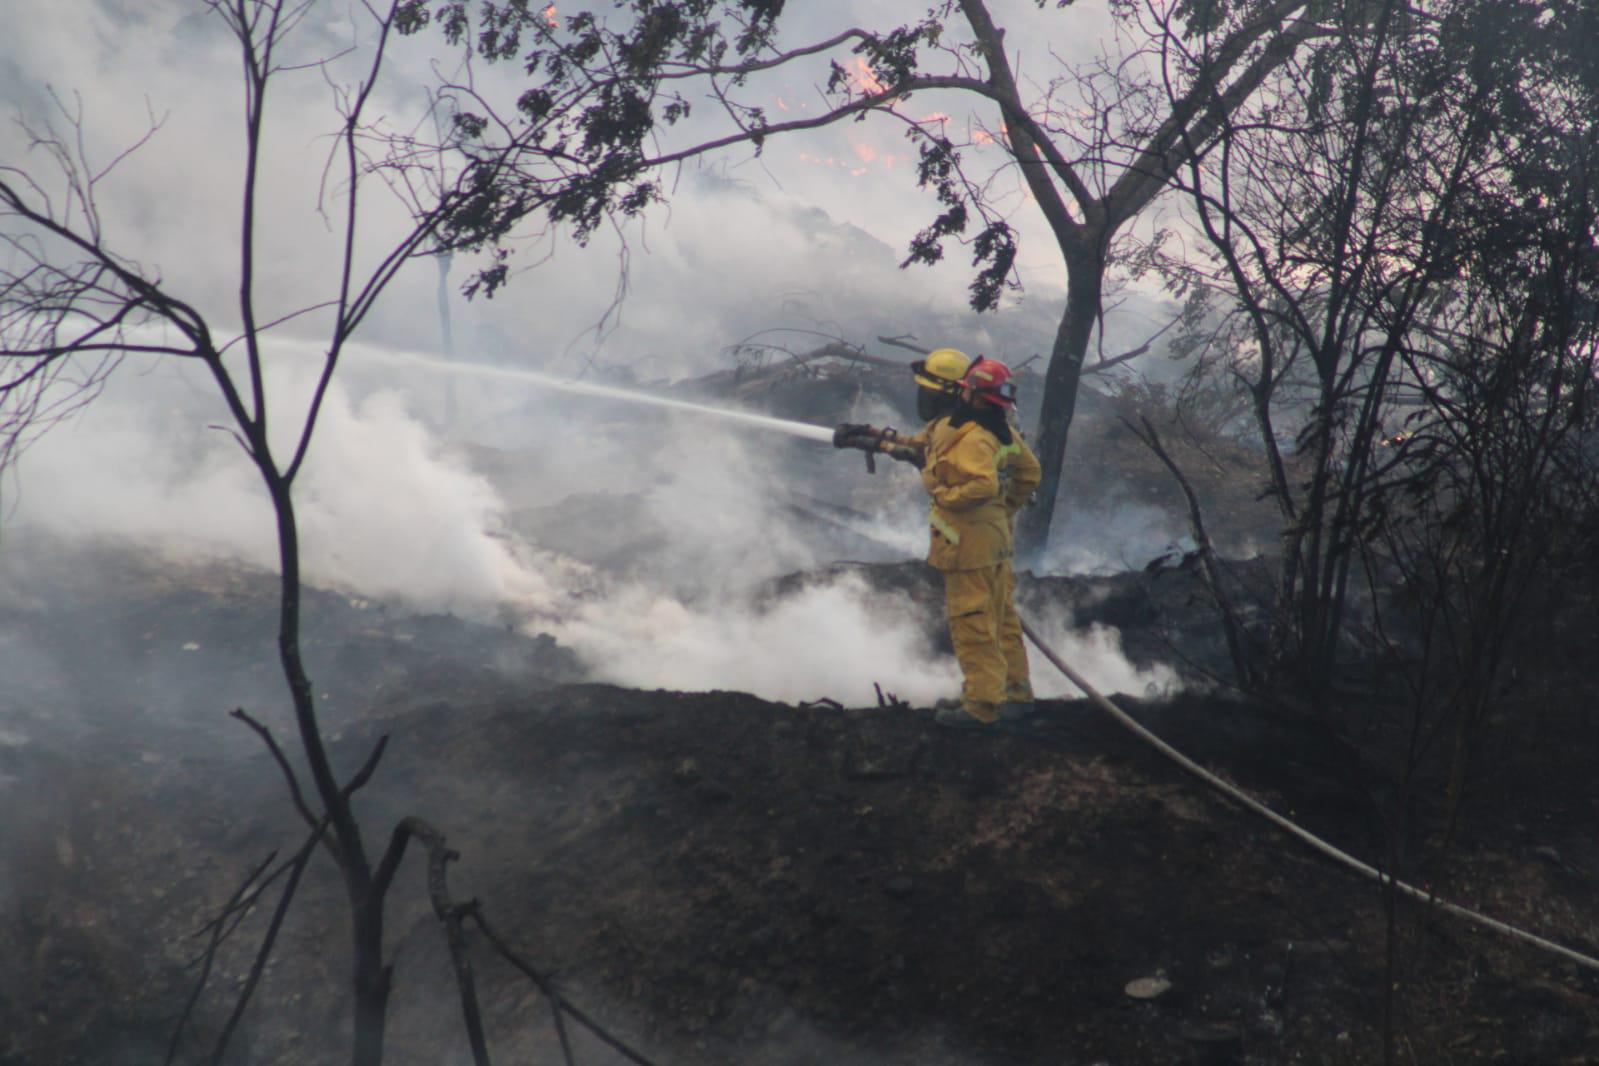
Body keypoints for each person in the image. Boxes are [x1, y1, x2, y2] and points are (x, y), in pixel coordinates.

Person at [834, 349, 1042, 726]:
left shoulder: (974, 438)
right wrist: (874, 438)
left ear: (975, 395)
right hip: (993, 539)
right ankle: (1014, 694)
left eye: (966, 389)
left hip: (969, 545)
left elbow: (981, 484)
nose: (960, 393)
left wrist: (947, 497)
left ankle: (982, 706)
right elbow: (1028, 474)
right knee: (1001, 619)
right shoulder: (994, 430)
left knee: (973, 622)